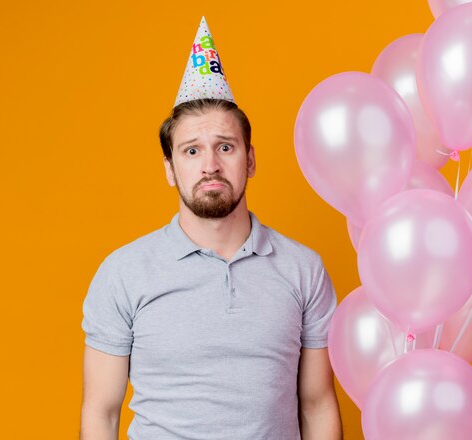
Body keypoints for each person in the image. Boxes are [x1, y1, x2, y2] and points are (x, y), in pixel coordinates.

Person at [80, 17, 341, 440]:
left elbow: (317, 404)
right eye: (191, 150)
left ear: (250, 160)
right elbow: (101, 412)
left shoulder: (303, 269)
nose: (210, 165)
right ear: (170, 168)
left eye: (225, 146)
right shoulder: (123, 273)